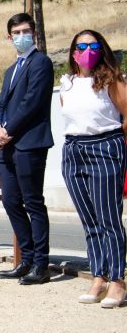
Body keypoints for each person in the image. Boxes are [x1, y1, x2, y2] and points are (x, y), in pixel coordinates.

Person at [59, 30, 127, 308]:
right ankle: (98, 276)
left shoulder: (112, 80)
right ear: (73, 51)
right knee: (89, 220)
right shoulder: (67, 83)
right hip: (74, 150)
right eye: (81, 45)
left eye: (93, 45)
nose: (87, 50)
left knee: (108, 218)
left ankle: (117, 280)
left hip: (105, 146)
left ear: (102, 48)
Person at [0, 13, 54, 285]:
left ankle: (41, 264)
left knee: (33, 203)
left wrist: (8, 130)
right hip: (6, 145)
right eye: (15, 32)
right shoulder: (11, 70)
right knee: (10, 201)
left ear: (34, 33)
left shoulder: (41, 63)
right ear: (8, 37)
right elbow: (0, 104)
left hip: (29, 143)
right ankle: (26, 258)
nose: (21, 36)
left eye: (25, 31)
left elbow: (32, 102)